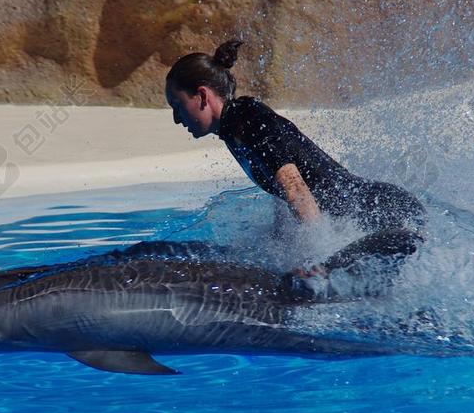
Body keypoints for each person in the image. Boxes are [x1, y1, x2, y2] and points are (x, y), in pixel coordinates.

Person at [165, 40, 425, 267]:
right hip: (373, 218)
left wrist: (314, 260)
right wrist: (277, 244)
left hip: (388, 217)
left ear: (201, 96)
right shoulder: (233, 128)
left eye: (178, 105)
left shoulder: (248, 119)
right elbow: (282, 193)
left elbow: (294, 187)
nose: (177, 119)